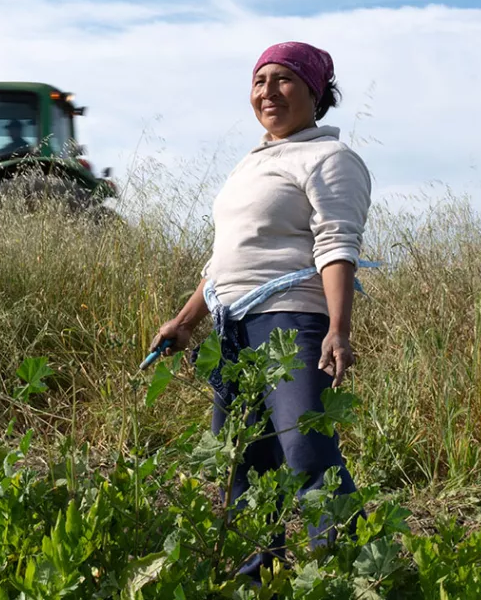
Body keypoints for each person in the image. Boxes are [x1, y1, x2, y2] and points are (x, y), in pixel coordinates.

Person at [148, 41, 372, 578]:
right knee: (244, 458)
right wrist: (183, 322)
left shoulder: (329, 158)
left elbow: (337, 244)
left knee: (305, 449)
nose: (268, 91)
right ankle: (259, 570)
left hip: (290, 321)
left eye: (284, 80)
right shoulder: (251, 163)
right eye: (259, 81)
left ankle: (360, 572)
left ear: (316, 94)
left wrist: (337, 329)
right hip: (231, 327)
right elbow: (227, 260)